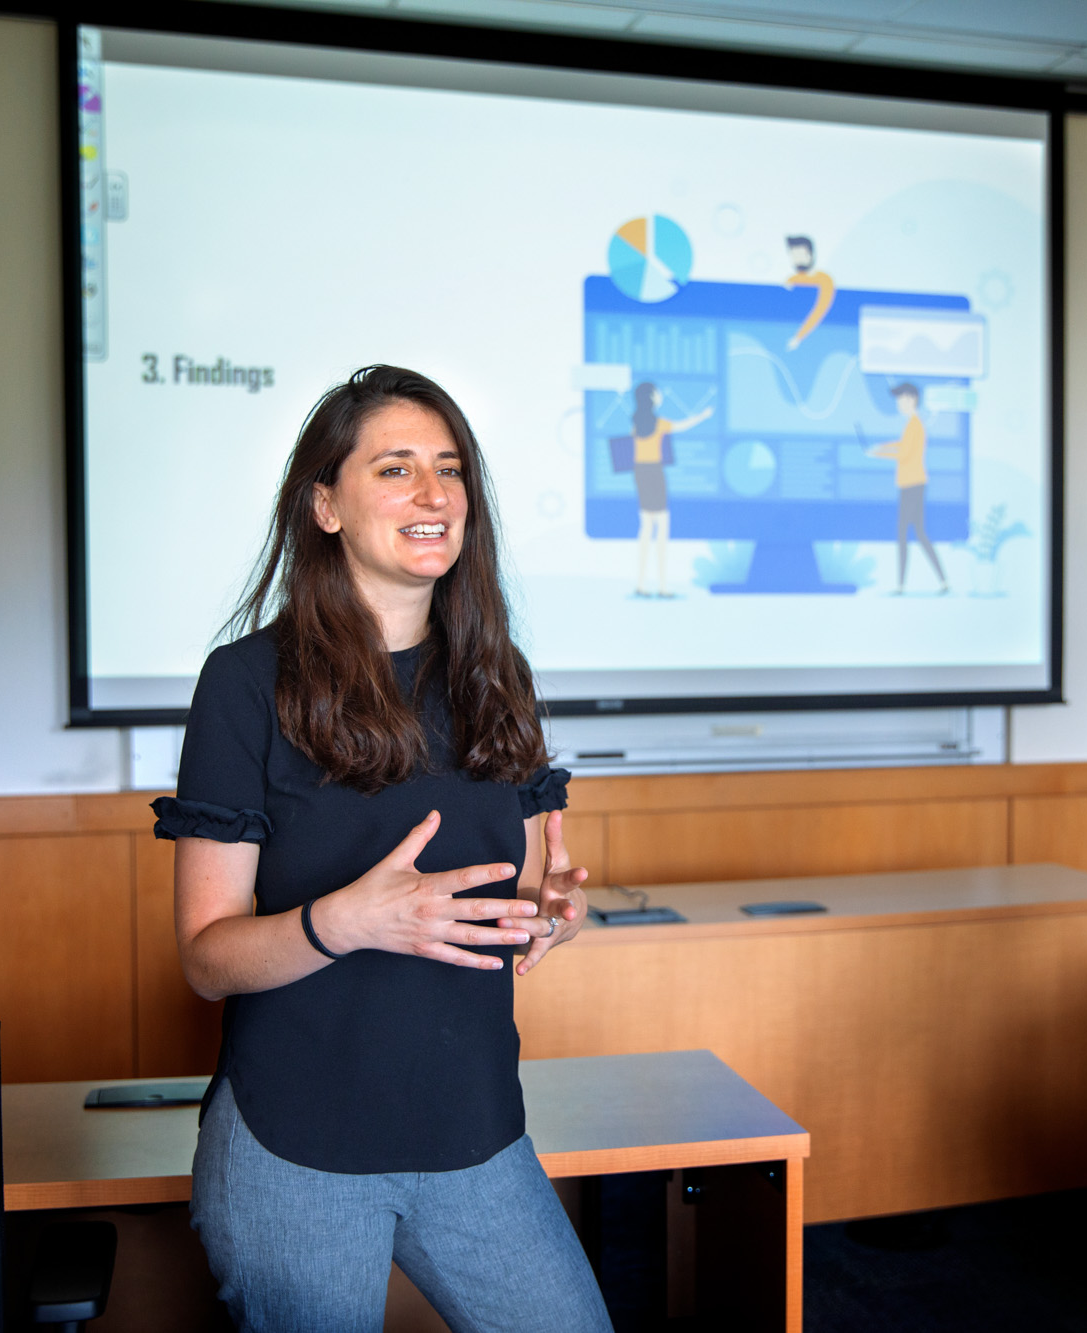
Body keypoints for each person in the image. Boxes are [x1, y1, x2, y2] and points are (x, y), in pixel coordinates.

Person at [152, 365, 613, 1333]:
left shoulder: (497, 674)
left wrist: (556, 908)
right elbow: (205, 958)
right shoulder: (244, 682)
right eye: (395, 468)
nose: (433, 494)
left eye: (448, 470)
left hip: (474, 1127)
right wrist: (345, 920)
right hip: (295, 1142)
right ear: (324, 504)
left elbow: (527, 882)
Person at [629, 380, 712, 599]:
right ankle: (663, 586)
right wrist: (703, 416)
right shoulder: (659, 423)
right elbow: (684, 425)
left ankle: (641, 583)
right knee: (662, 528)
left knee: (646, 528)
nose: (659, 396)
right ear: (651, 398)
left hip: (640, 473)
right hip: (655, 473)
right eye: (656, 393)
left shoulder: (636, 424)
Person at [865, 382, 946, 594]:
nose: (899, 404)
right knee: (919, 533)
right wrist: (882, 446)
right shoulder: (912, 425)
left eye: (901, 399)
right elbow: (901, 444)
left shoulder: (916, 425)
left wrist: (878, 453)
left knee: (904, 533)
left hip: (912, 485)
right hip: (913, 484)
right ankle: (943, 582)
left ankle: (901, 585)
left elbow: (904, 454)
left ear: (912, 399)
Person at [783, 235, 834, 351]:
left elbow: (819, 310)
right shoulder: (791, 280)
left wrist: (798, 337)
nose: (797, 259)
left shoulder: (824, 280)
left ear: (810, 254)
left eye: (800, 255)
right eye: (794, 255)